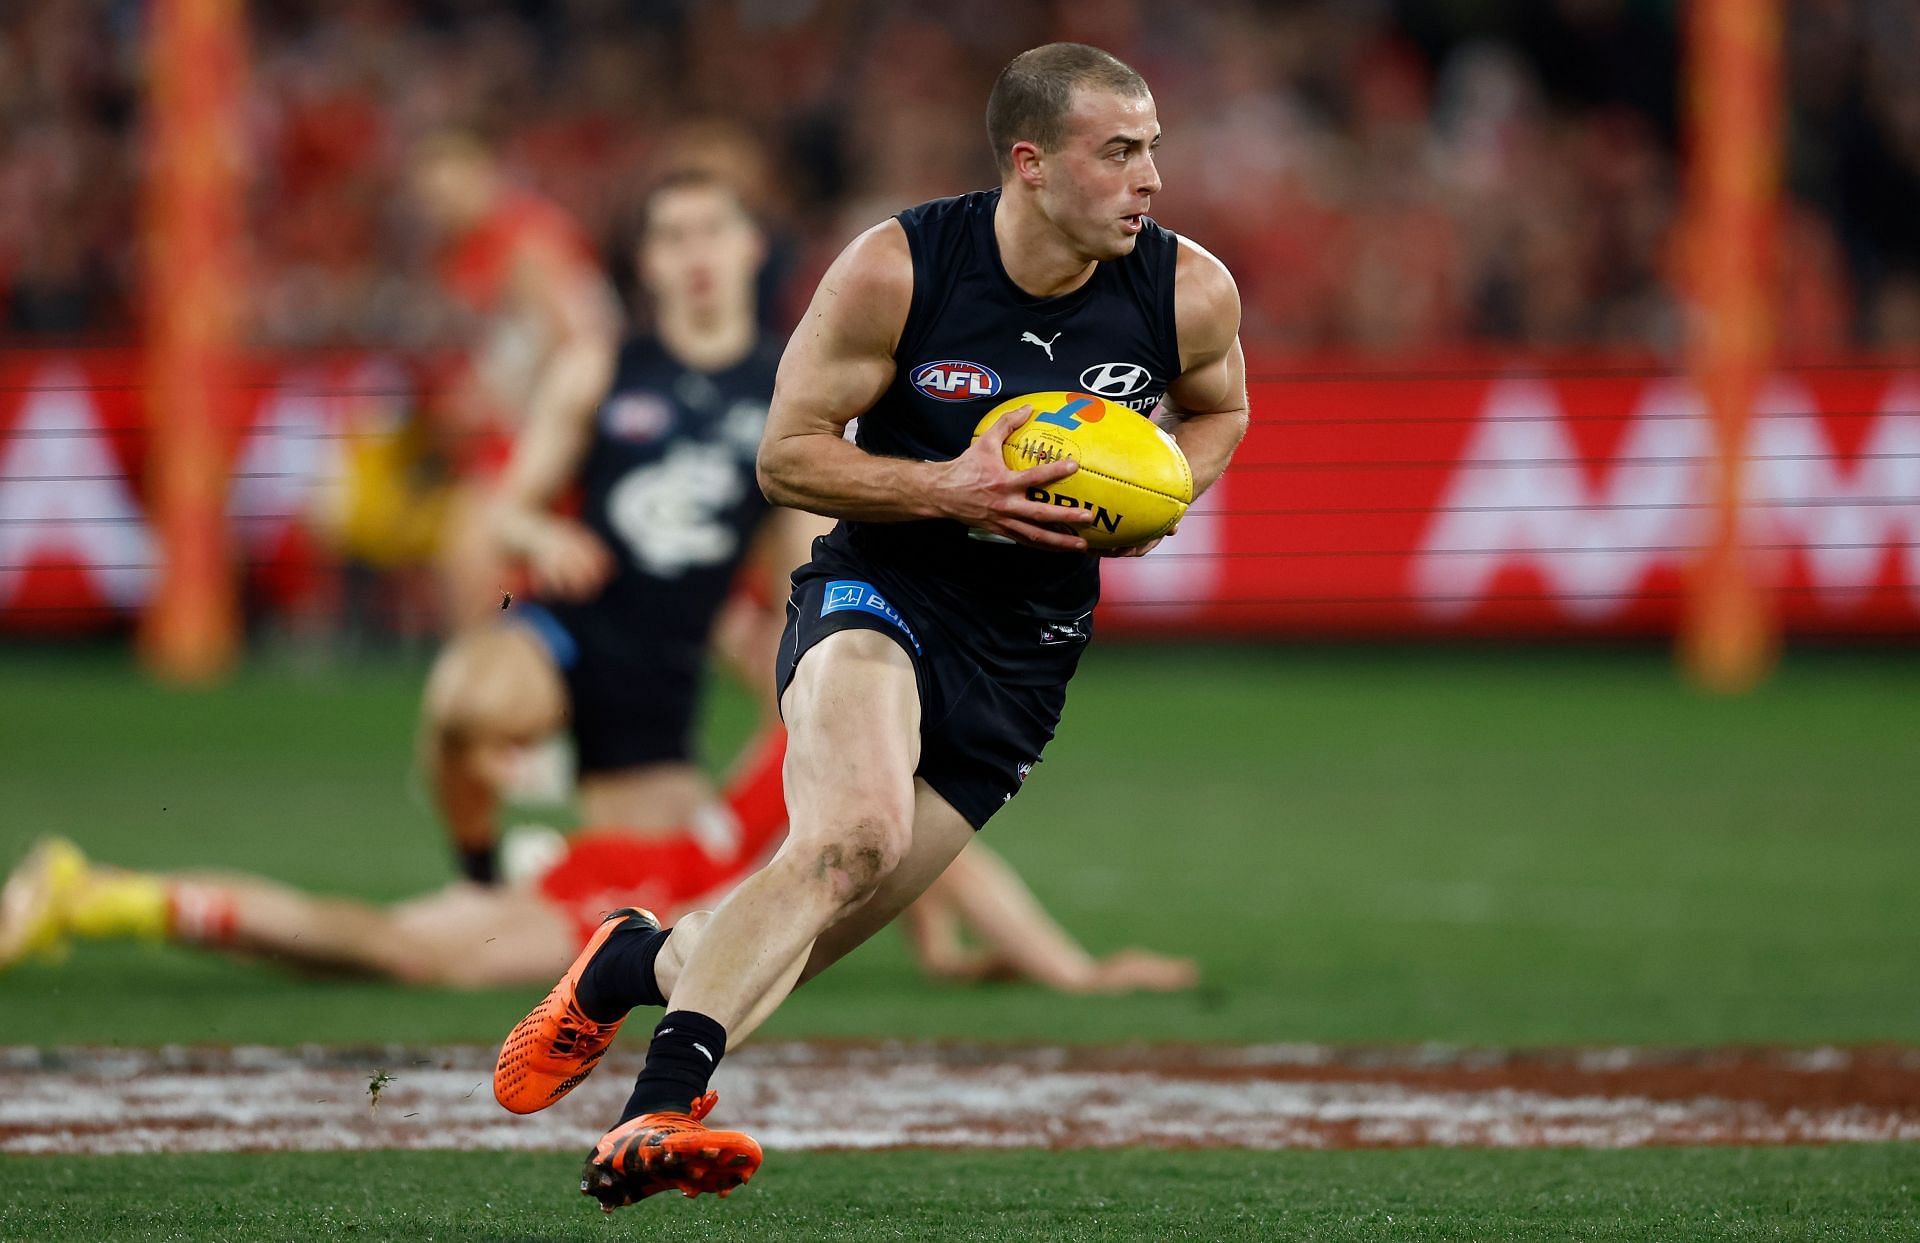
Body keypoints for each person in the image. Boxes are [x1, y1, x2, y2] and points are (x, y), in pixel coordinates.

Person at [0, 171, 1198, 1001]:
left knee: (399, 951)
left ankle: (98, 894)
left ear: (744, 253)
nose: (689, 256)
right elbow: (911, 817)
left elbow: (915, 832)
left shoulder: (793, 398)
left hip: (635, 841)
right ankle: (479, 841)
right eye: (666, 237)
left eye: (709, 233)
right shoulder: (604, 366)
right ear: (645, 262)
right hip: (588, 681)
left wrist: (997, 948)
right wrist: (530, 530)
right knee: (475, 706)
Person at [492, 43, 1248, 1210]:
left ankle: (630, 959)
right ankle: (658, 1112)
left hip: (1025, 658)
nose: (1151, 177)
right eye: (1121, 150)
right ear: (1032, 165)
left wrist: (1163, 495)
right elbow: (785, 456)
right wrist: (953, 488)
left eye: (1154, 148)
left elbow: (1224, 407)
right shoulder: (900, 269)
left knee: (793, 931)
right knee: (850, 837)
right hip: (877, 596)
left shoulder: (1188, 288)